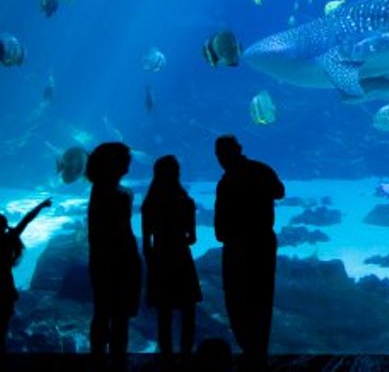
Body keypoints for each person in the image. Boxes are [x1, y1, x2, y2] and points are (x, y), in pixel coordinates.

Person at [214, 134, 285, 371]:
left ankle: (250, 350)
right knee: (262, 298)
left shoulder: (227, 181)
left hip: (237, 246)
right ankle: (258, 353)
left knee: (237, 299)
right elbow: (279, 192)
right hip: (263, 242)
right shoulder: (260, 169)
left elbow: (219, 225)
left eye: (222, 154)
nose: (220, 159)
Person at [87, 141, 143, 372]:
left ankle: (98, 360)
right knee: (119, 316)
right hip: (120, 261)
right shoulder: (118, 195)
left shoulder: (98, 190)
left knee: (102, 313)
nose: (129, 164)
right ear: (114, 164)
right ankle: (118, 361)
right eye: (125, 160)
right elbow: (121, 232)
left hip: (101, 260)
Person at [142, 155, 203, 364]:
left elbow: (146, 244)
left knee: (164, 314)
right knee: (188, 312)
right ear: (177, 173)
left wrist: (153, 265)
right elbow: (192, 238)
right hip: (181, 258)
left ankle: (166, 357)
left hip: (160, 258)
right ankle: (186, 355)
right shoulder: (186, 201)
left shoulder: (149, 203)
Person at [1, 197, 51, 360]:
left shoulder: (8, 239)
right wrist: (42, 206)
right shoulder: (9, 238)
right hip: (6, 288)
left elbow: (26, 219)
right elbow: (27, 219)